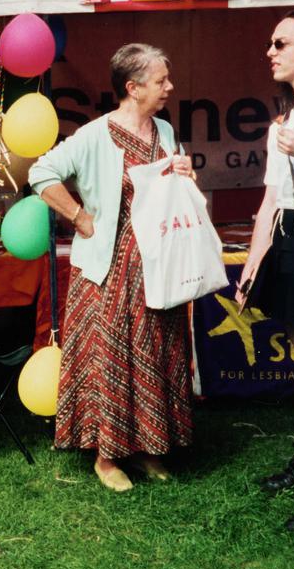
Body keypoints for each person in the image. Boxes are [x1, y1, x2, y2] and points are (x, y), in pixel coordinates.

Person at [29, 43, 195, 491]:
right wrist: (79, 216)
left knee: (154, 354)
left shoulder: (164, 129)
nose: (169, 87)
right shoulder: (94, 135)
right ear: (133, 87)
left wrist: (185, 172)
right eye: (161, 80)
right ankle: (107, 458)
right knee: (113, 358)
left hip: (157, 267)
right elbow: (41, 173)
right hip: (110, 272)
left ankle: (146, 447)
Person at [236, 10, 294, 533]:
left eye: (281, 43)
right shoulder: (280, 125)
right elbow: (270, 203)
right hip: (292, 239)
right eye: (270, 43)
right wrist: (251, 263)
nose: (270, 51)